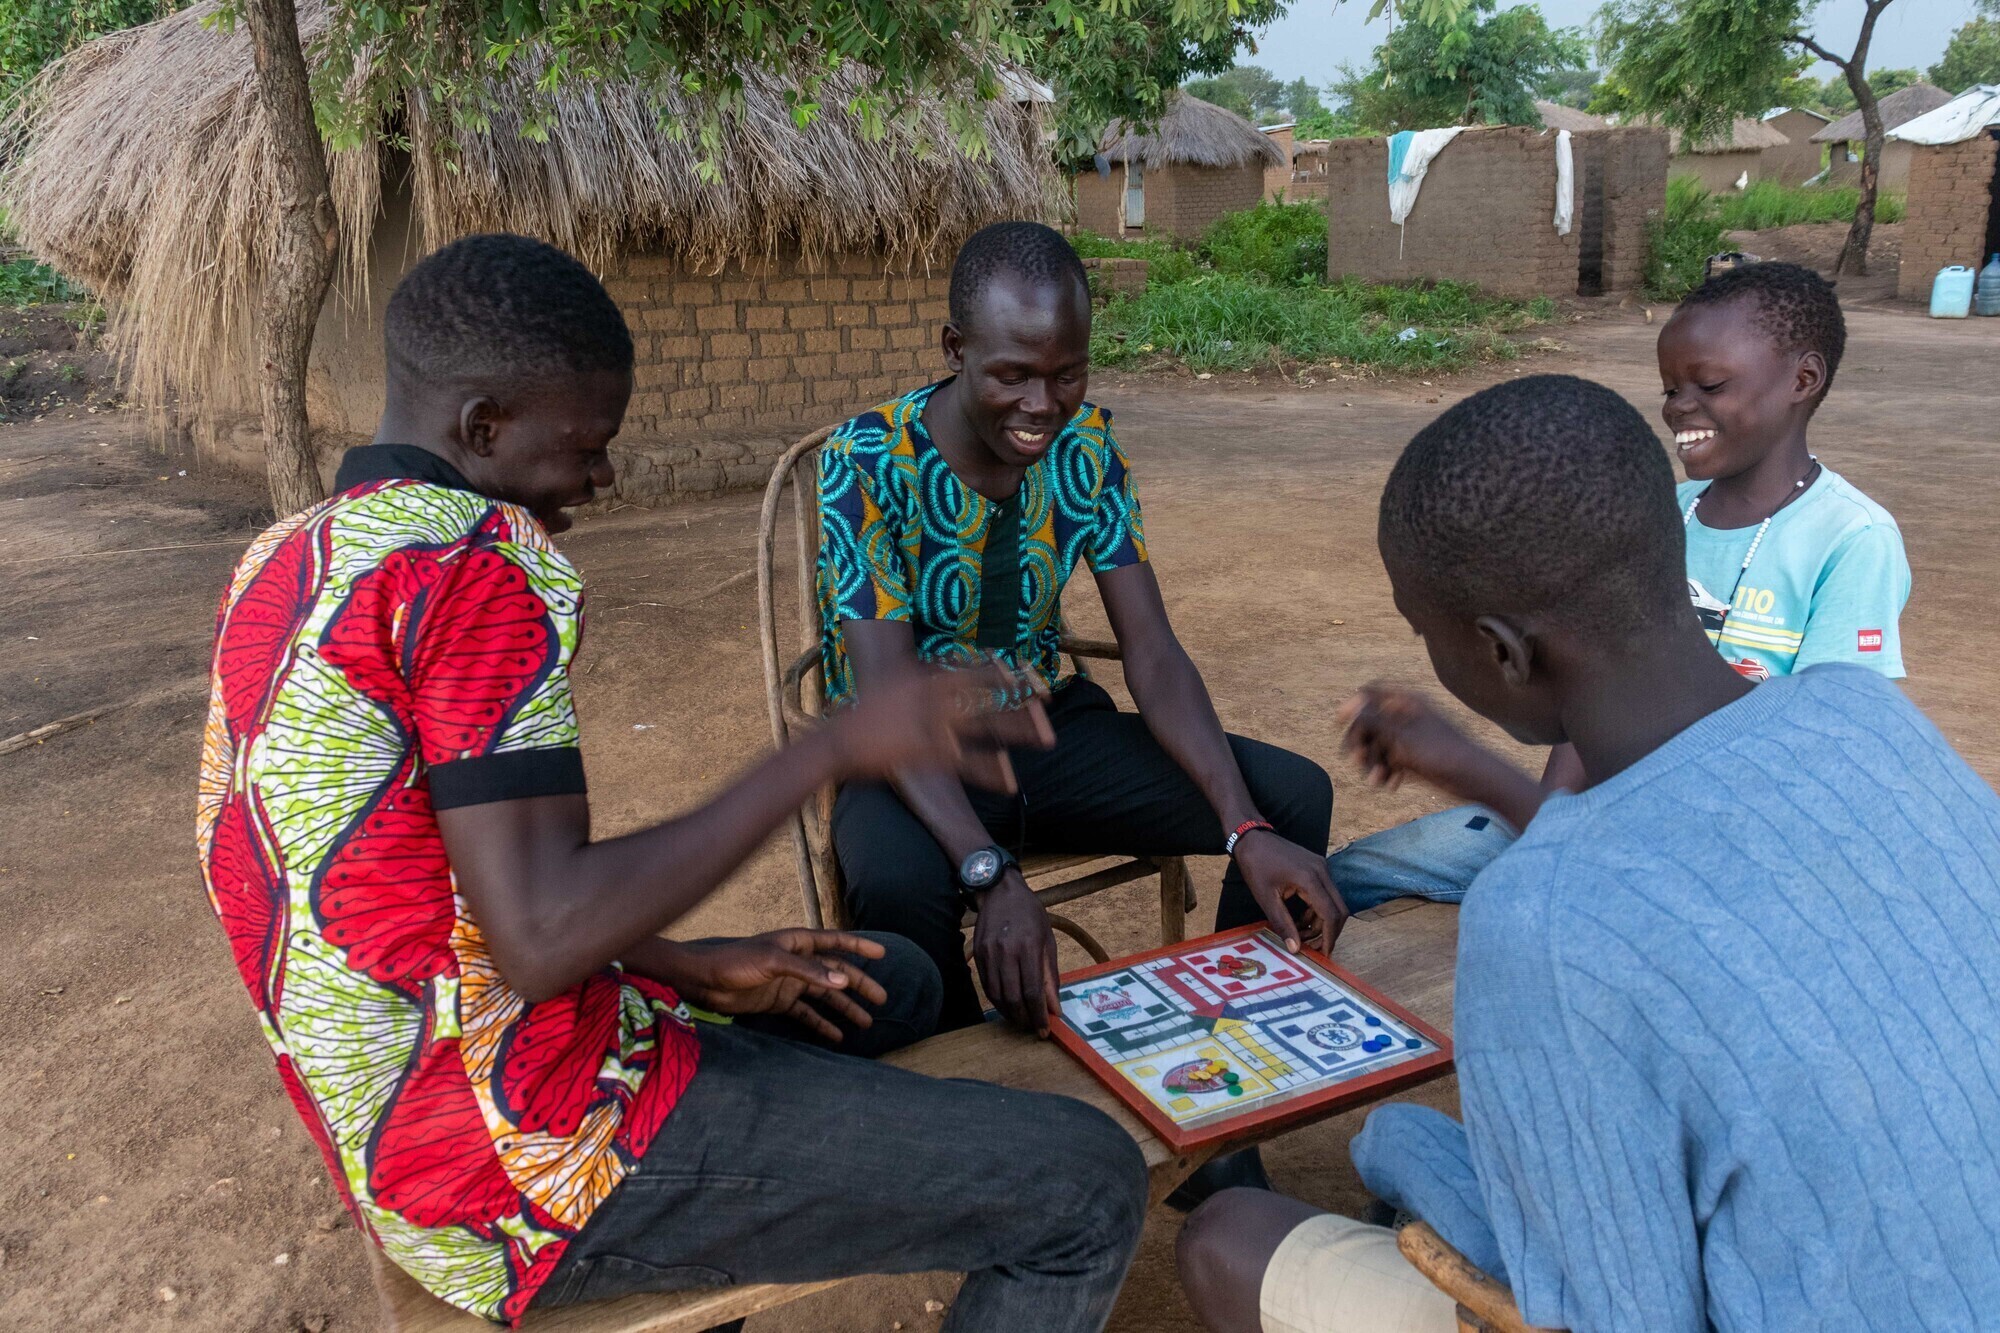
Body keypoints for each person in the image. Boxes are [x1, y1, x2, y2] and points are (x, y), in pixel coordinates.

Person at [196, 233, 1148, 1332]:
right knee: (1082, 1182)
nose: (601, 475)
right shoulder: (477, 569)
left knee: (895, 981)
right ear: (483, 427)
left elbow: (418, 880)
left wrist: (681, 965)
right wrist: (831, 746)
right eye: (587, 444)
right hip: (522, 1162)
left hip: (415, 1120)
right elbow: (542, 934)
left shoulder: (288, 562)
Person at [1175, 374, 2000, 1333]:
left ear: (1501, 653)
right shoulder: (1869, 717)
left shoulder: (1546, 914)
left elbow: (1619, 1310)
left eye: (1421, 631)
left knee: (1224, 1237)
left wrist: (1400, 1148)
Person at [817, 220, 1342, 1043]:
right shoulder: (869, 459)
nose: (1042, 406)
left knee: (1290, 798)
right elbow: (886, 697)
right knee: (891, 886)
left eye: (1067, 374)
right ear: (956, 347)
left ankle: (1222, 1051)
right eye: (1014, 375)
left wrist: (1244, 828)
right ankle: (979, 1088)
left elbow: (1154, 652)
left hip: (1050, 732)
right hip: (907, 762)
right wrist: (989, 876)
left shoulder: (1087, 449)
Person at [1323, 260, 1912, 908]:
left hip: (1726, 852)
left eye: (1709, 384)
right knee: (1349, 872)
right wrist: (1549, 818)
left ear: (1803, 378)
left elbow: (1823, 749)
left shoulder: (1852, 540)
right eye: (1669, 388)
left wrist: (1505, 796)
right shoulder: (1664, 509)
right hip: (1592, 814)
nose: (1679, 407)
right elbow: (1590, 687)